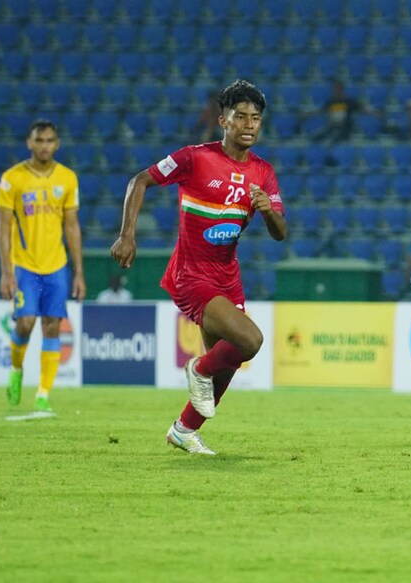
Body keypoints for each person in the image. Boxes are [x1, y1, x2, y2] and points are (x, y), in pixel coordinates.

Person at [111, 79, 288, 455]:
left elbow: (280, 233)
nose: (249, 124)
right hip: (191, 274)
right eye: (240, 116)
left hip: (228, 276)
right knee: (250, 341)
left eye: (255, 118)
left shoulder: (263, 172)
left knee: (229, 363)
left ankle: (183, 430)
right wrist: (128, 235)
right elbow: (139, 180)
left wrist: (267, 210)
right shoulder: (194, 158)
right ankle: (199, 370)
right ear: (222, 120)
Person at [0, 119, 85, 413]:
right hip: (24, 265)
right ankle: (17, 369)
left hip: (56, 265)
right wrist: (6, 272)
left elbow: (72, 227)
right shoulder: (12, 179)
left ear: (56, 144)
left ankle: (43, 394)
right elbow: (3, 228)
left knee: (51, 327)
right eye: (39, 140)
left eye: (49, 141)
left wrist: (79, 272)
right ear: (29, 143)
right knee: (25, 322)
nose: (44, 145)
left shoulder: (67, 178)